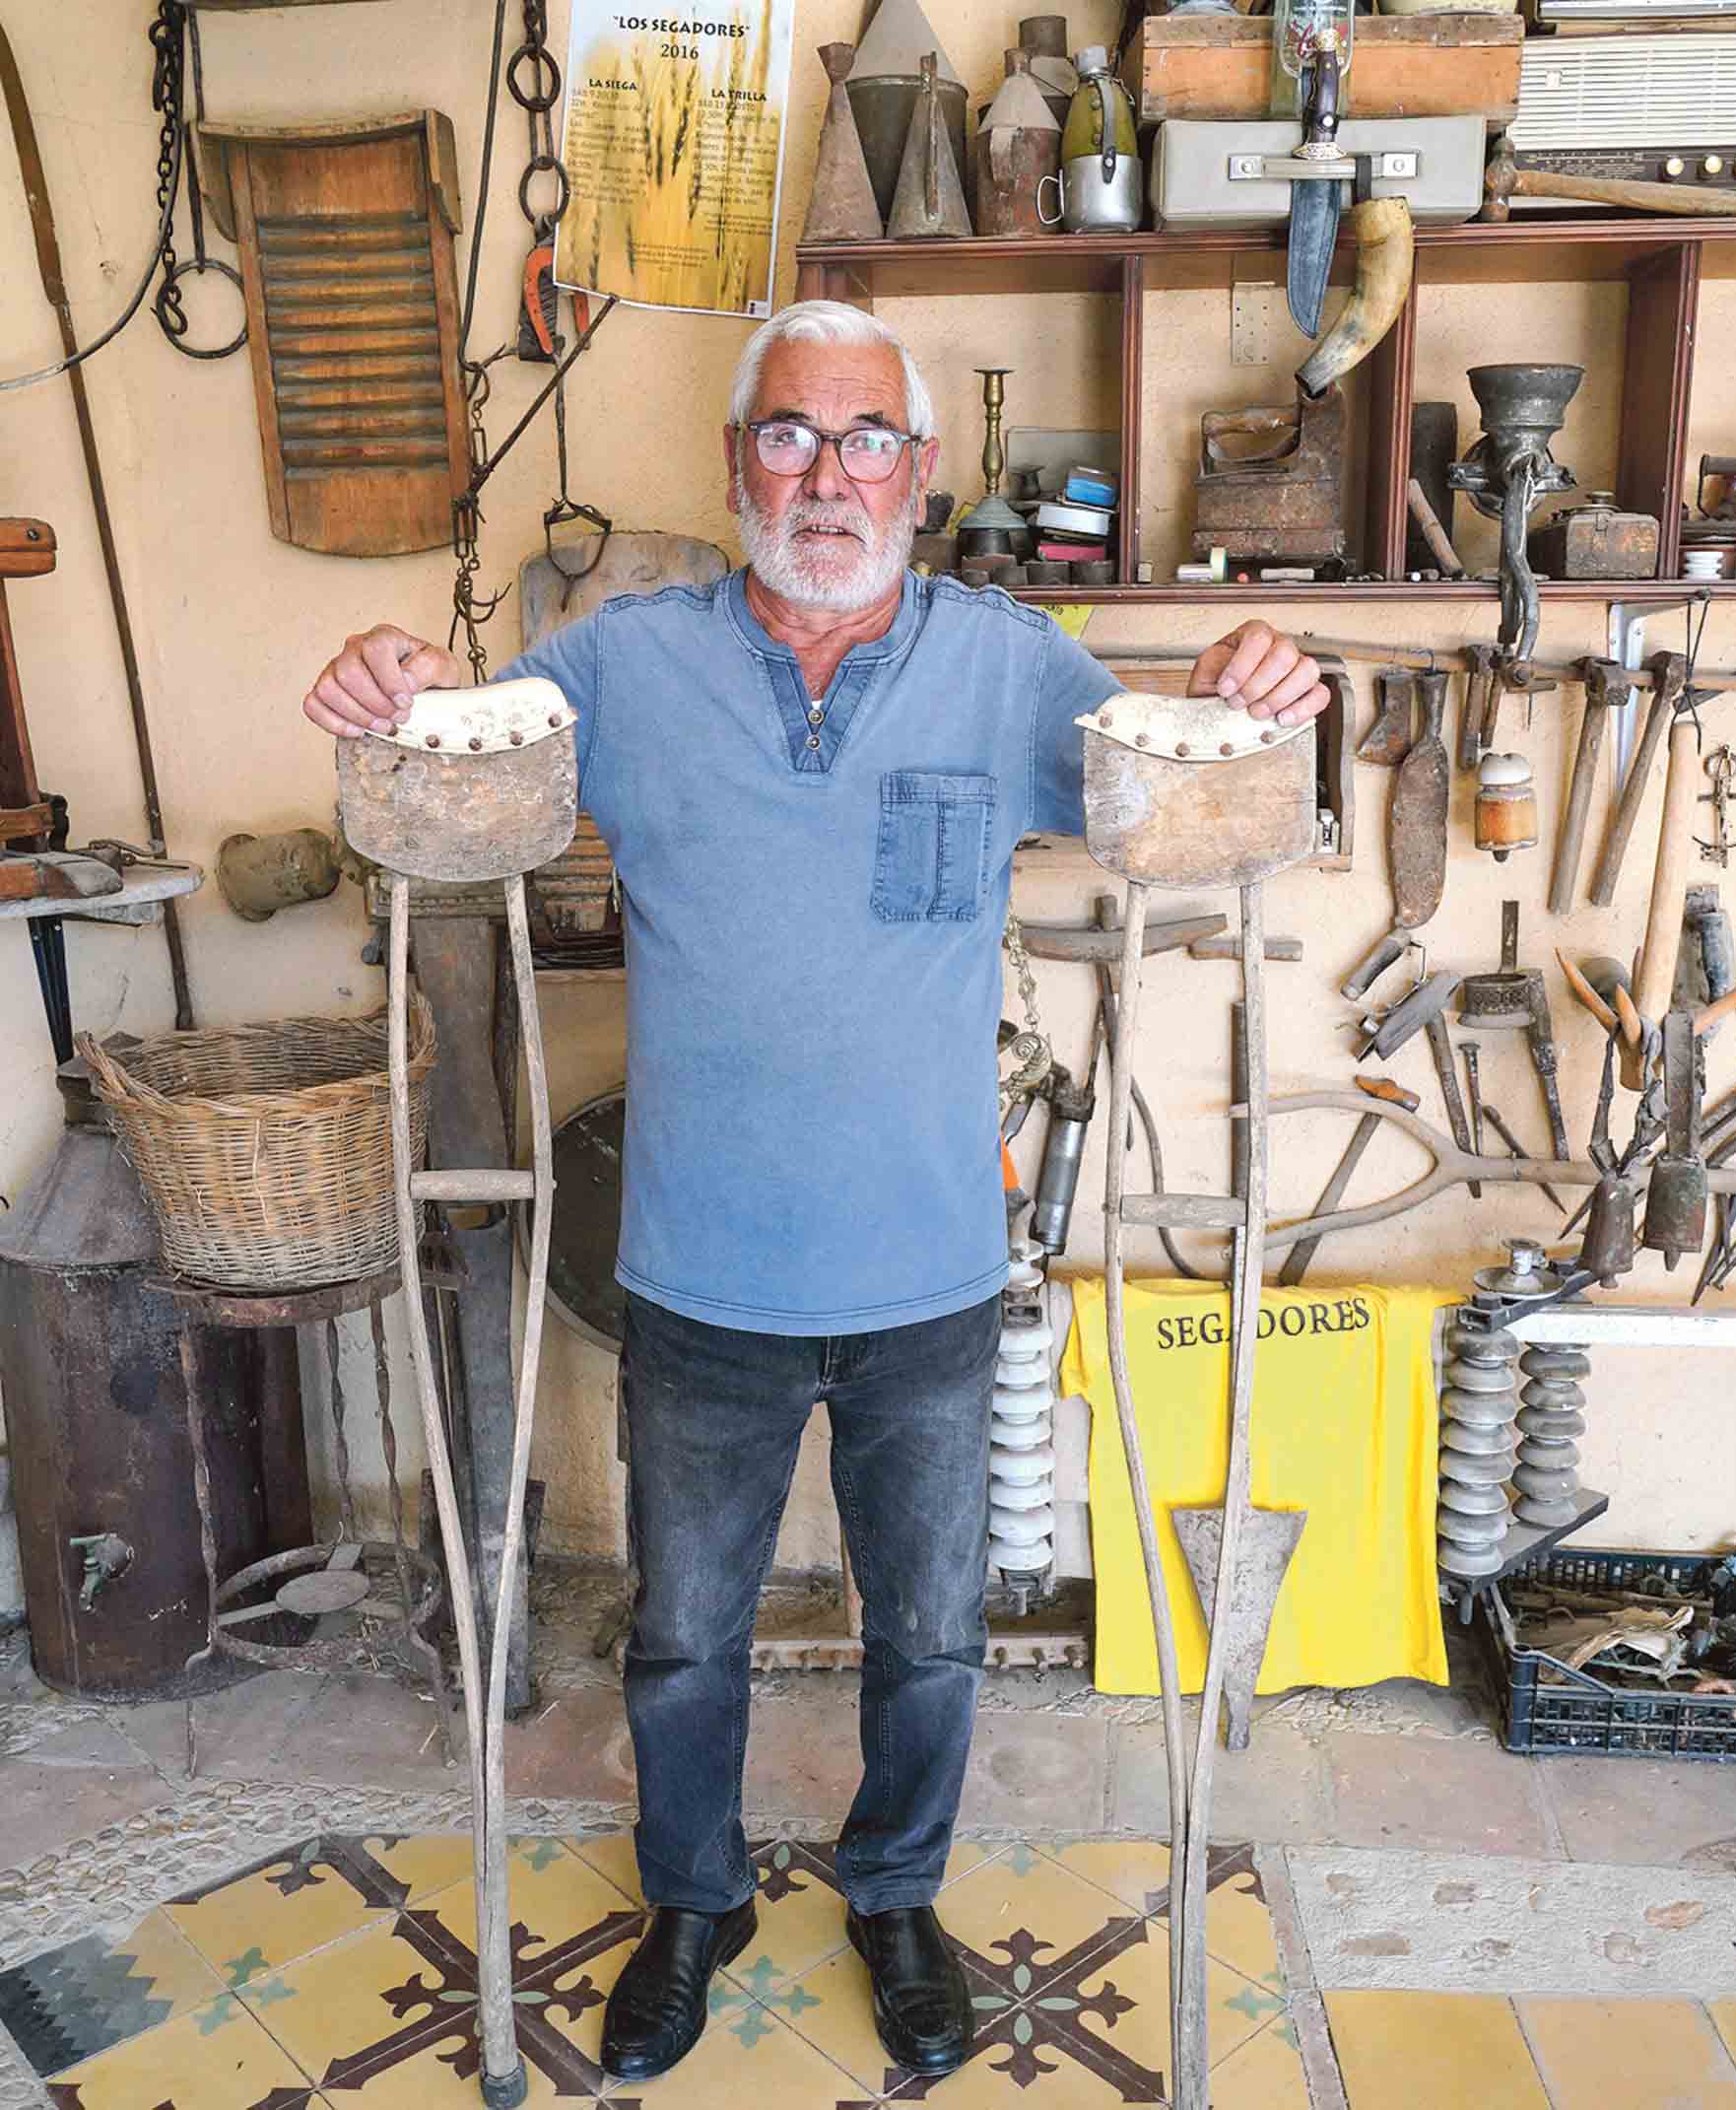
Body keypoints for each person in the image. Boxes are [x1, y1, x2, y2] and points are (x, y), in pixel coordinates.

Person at [301, 300, 1328, 2083]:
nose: (828, 475)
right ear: (737, 464)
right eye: (791, 434)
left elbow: (1191, 782)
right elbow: (455, 770)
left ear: (920, 475)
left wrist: (1260, 685)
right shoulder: (625, 666)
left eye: (867, 440)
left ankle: (895, 1890)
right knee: (685, 1638)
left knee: (932, 1639)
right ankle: (689, 1898)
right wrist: (393, 692)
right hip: (702, 1274)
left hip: (930, 1267)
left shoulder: (1007, 664)